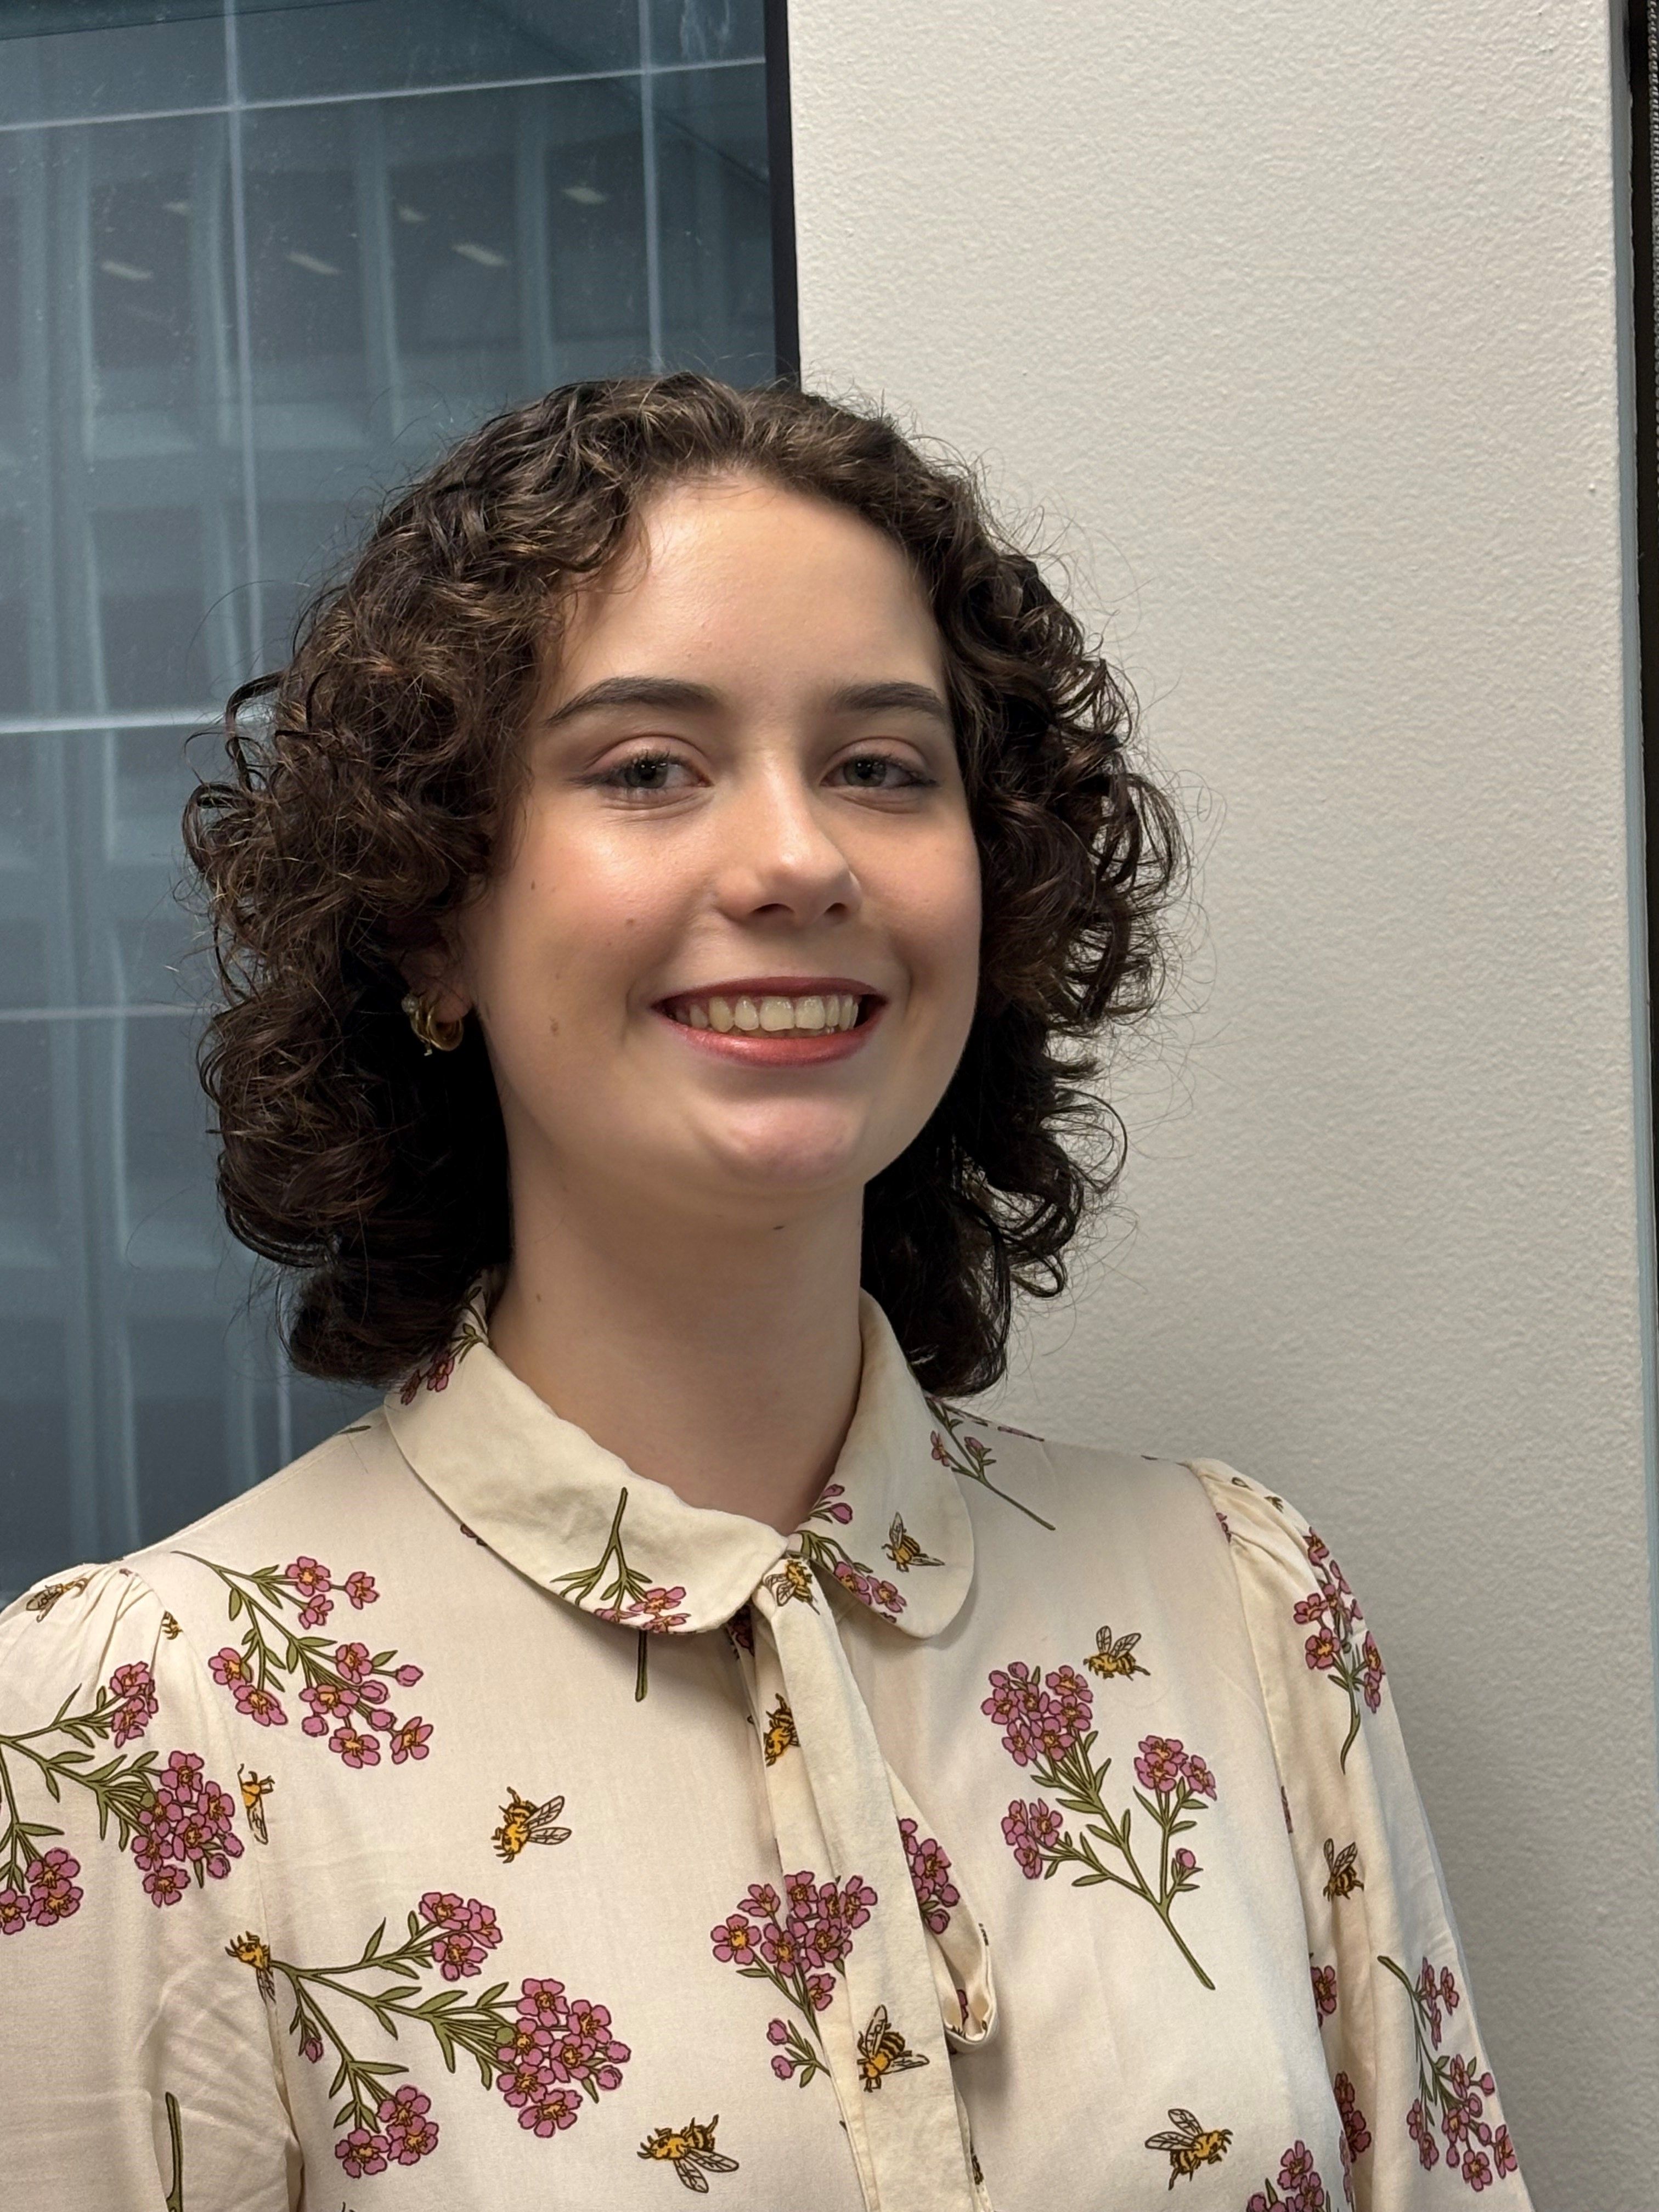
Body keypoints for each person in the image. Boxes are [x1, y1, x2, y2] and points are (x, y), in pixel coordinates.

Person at [0, 376, 1528, 2210]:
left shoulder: (1244, 1609)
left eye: (883, 767)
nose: (799, 859)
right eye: (648, 768)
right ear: (431, 912)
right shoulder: (153, 1727)